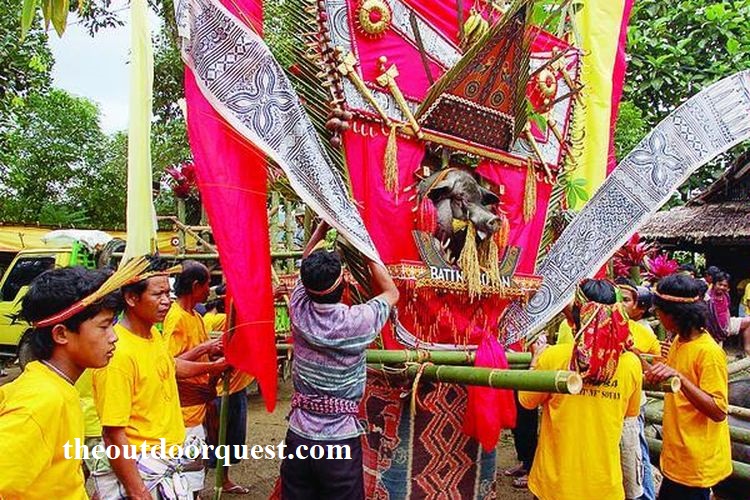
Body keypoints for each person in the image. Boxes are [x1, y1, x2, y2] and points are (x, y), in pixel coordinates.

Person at [280, 220, 399, 499]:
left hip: (299, 435)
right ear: (343, 282)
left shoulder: (299, 311)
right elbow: (391, 293)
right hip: (338, 442)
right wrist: (363, 244)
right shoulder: (356, 321)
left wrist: (322, 227)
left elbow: (305, 262)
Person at [92, 258, 226, 499]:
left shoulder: (152, 333)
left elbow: (170, 366)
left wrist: (215, 366)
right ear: (132, 298)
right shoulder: (117, 354)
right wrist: (137, 490)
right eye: (158, 294)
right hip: (144, 468)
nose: (167, 301)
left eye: (168, 292)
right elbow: (113, 433)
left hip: (168, 456)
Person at [0, 267, 120, 499]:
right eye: (104, 326)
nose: (114, 336)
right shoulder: (42, 401)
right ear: (61, 334)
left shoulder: (57, 387)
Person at [519, 279, 642, 500]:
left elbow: (526, 401)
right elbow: (629, 414)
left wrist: (535, 362)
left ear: (578, 313)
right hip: (604, 486)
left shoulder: (554, 357)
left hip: (554, 486)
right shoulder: (631, 363)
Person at [645, 274, 731, 499]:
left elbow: (719, 410)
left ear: (674, 316)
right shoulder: (678, 341)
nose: (657, 315)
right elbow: (671, 377)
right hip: (677, 456)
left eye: (659, 311)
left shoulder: (709, 352)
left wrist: (680, 378)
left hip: (696, 462)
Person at [162, 260, 229, 497]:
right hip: (185, 409)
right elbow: (172, 364)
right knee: (186, 470)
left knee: (195, 468)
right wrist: (207, 355)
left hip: (199, 405)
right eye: (207, 284)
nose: (208, 290)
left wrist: (215, 351)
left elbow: (199, 351)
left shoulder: (196, 317)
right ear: (195, 285)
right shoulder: (176, 317)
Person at [201, 284, 254, 495]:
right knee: (213, 438)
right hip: (222, 388)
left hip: (234, 386)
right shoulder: (219, 320)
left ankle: (223, 479)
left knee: (228, 438)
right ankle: (199, 485)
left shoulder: (206, 318)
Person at [618, 279, 659, 500]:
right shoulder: (592, 325)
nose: (619, 304)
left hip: (632, 407)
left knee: (636, 455)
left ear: (637, 306)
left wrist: (635, 354)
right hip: (606, 403)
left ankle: (647, 496)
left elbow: (656, 370)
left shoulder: (643, 333)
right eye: (617, 299)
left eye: (625, 300)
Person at [707, 272, 750, 354]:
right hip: (712, 329)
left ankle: (747, 351)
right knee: (716, 353)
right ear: (714, 284)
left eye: (725, 285)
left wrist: (727, 325)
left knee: (748, 321)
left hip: (726, 325)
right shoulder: (708, 298)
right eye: (720, 284)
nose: (722, 287)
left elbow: (727, 310)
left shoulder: (726, 295)